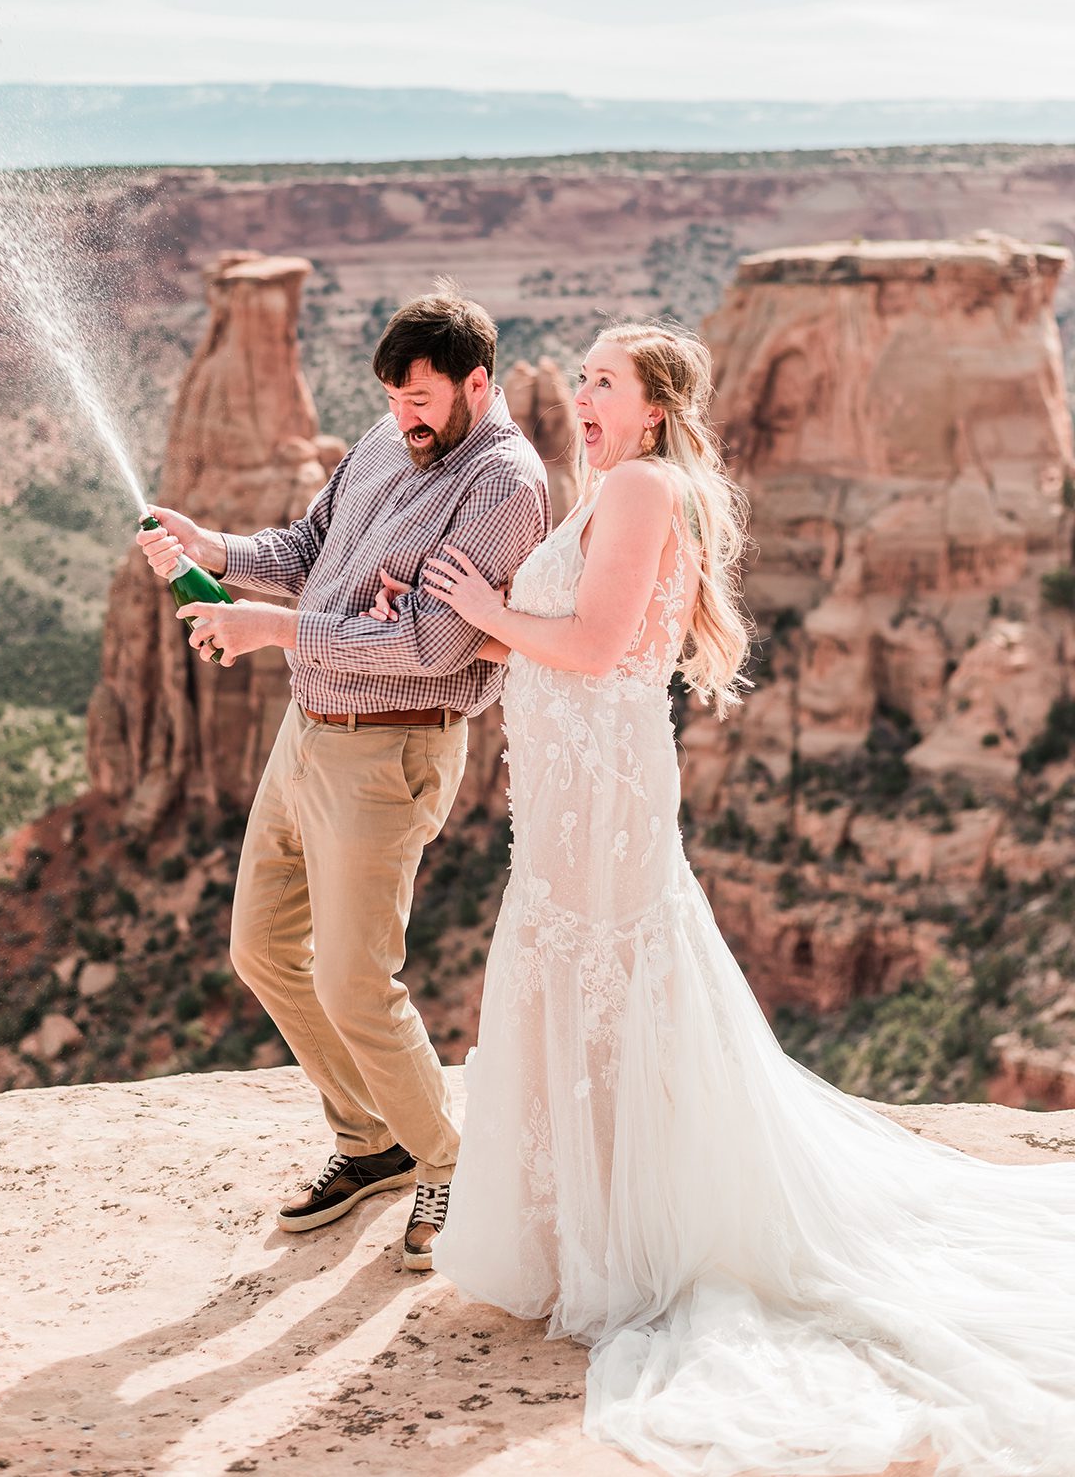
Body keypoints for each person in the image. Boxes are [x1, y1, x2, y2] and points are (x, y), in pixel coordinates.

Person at [400, 320, 1075, 1475]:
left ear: (654, 406)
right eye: (586, 382)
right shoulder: (620, 485)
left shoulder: (647, 487)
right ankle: (584, 1234)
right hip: (569, 800)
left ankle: (627, 1243)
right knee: (582, 978)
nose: (585, 398)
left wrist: (485, 604)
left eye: (604, 382)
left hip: (603, 803)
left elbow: (603, 642)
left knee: (607, 977)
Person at [136, 287, 549, 1270]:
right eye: (395, 395)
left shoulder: (505, 486)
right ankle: (373, 1142)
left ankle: (454, 1162)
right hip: (307, 732)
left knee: (357, 981)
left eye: (421, 396)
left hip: (390, 748)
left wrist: (271, 627)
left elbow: (431, 644)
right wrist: (216, 551)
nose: (405, 413)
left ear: (476, 382)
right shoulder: (387, 438)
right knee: (264, 948)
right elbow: (311, 547)